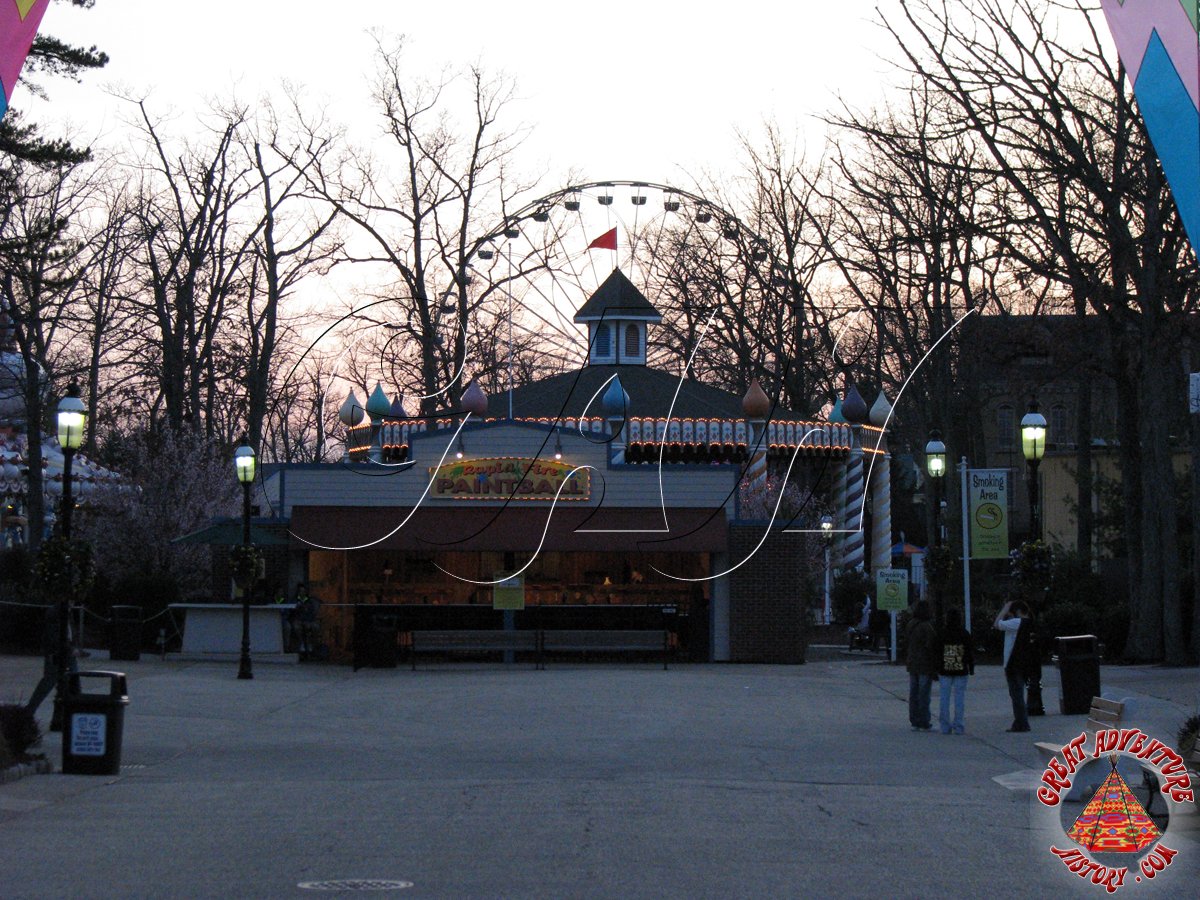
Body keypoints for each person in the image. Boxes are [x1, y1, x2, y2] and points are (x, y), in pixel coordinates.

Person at [26, 602, 77, 715]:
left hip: (66, 652)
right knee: (50, 681)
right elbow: (54, 635)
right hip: (57, 653)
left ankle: (68, 712)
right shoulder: (55, 613)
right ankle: (30, 710)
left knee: (70, 680)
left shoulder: (67, 612)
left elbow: (70, 632)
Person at [994, 599, 1034, 732]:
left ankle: (1021, 722)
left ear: (1017, 612)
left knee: (1016, 694)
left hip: (1013, 663)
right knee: (1018, 693)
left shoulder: (1017, 623)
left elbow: (997, 624)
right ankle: (1021, 721)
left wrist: (1004, 609)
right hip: (1023, 663)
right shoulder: (1028, 623)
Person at [938, 607, 975, 734]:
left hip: (945, 669)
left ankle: (944, 726)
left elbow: (936, 652)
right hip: (961, 669)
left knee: (944, 698)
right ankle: (959, 725)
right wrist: (971, 667)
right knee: (959, 698)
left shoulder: (942, 633)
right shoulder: (964, 633)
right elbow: (969, 652)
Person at [906, 600, 938, 731]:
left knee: (914, 692)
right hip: (924, 663)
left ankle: (914, 719)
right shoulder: (927, 626)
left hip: (912, 661)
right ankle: (924, 720)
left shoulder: (910, 624)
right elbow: (931, 645)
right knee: (924, 693)